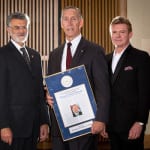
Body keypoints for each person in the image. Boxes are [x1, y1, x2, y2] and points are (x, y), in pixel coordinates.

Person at [46, 6, 110, 150]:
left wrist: (100, 119)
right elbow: (51, 85)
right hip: (59, 126)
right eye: (65, 19)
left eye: (73, 19)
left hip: (85, 125)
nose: (69, 23)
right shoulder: (54, 54)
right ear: (61, 24)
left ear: (81, 23)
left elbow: (103, 89)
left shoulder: (95, 51)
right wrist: (48, 96)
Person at [0, 12, 50, 150]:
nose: (21, 31)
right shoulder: (2, 55)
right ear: (8, 30)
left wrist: (44, 121)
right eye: (17, 27)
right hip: (11, 128)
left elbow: (40, 93)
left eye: (24, 27)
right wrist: (3, 126)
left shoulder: (35, 55)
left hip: (33, 127)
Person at [102, 16, 150, 150]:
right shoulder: (105, 59)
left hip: (131, 125)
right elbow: (103, 93)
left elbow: (145, 93)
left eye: (122, 32)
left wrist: (140, 122)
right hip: (111, 125)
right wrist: (103, 121)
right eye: (114, 32)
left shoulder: (141, 57)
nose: (118, 35)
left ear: (130, 34)